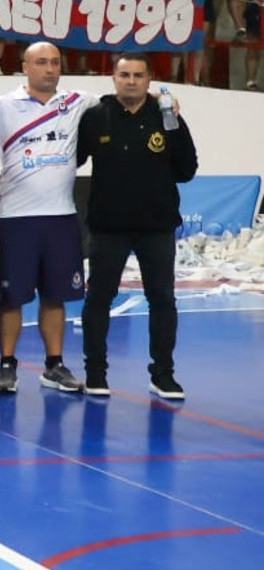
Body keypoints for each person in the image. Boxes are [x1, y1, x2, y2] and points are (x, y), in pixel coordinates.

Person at [0, 42, 94, 394]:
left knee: (55, 296)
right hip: (16, 219)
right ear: (25, 67)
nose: (50, 69)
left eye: (56, 62)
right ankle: (7, 365)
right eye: (41, 62)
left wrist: (168, 104)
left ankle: (54, 366)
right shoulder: (1, 106)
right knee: (12, 298)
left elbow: (123, 107)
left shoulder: (78, 102)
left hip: (62, 217)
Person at [75, 54, 196, 401]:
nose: (131, 81)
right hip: (108, 227)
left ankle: (163, 375)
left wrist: (173, 120)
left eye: (138, 75)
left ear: (149, 80)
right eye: (124, 74)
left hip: (156, 227)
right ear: (113, 77)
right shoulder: (96, 117)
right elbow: (73, 160)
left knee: (162, 301)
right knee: (99, 298)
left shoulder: (167, 117)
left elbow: (187, 169)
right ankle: (95, 373)